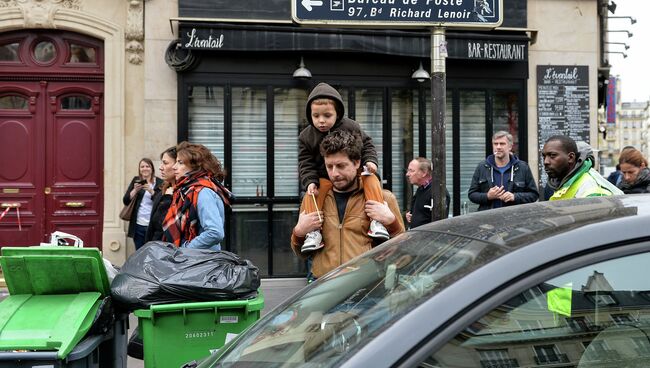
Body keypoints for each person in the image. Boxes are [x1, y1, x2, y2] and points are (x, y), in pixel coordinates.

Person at [291, 130, 405, 279]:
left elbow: (403, 251)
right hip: (323, 287)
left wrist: (392, 222)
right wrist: (298, 232)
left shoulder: (383, 198)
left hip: (365, 291)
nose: (334, 173)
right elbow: (301, 254)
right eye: (329, 166)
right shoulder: (315, 198)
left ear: (357, 162)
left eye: (341, 166)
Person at [298, 82, 387, 253]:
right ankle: (313, 232)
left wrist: (370, 162)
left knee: (371, 179)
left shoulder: (351, 126)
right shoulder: (306, 136)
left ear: (337, 113)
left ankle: (377, 221)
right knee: (312, 194)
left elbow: (367, 144)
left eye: (327, 115)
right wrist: (309, 180)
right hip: (321, 177)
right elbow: (305, 161)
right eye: (316, 116)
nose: (321, 121)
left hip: (359, 172)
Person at [162, 141, 233, 250]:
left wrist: (186, 249)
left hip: (202, 262)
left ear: (194, 167)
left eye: (180, 163)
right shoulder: (187, 190)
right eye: (176, 162)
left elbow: (215, 232)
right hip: (195, 260)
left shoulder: (203, 192)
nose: (174, 167)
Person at [468, 131, 539, 211]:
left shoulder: (523, 167)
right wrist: (487, 196)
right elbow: (472, 195)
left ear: (510, 146)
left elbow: (534, 195)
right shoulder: (482, 167)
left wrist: (515, 197)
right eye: (495, 144)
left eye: (502, 144)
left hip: (514, 218)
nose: (498, 147)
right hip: (488, 219)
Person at [542, 135, 622, 200]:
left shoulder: (591, 190)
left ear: (570, 157)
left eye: (552, 155)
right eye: (544, 156)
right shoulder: (558, 183)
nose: (546, 162)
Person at [122, 158, 163, 250]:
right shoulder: (136, 180)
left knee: (152, 251)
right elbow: (126, 200)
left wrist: (151, 191)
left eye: (147, 166)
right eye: (142, 167)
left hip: (153, 225)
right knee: (140, 251)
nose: (145, 168)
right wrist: (135, 190)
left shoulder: (160, 182)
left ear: (152, 168)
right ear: (139, 169)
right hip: (138, 224)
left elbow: (161, 202)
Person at [405, 157, 450, 228]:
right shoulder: (421, 189)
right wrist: (411, 215)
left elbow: (439, 224)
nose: (407, 174)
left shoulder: (438, 192)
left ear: (424, 173)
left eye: (411, 171)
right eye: (408, 170)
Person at [144, 146, 177, 242]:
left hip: (166, 251)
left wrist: (167, 198)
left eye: (165, 163)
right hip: (154, 248)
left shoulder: (181, 193)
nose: (160, 167)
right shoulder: (164, 188)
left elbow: (163, 225)